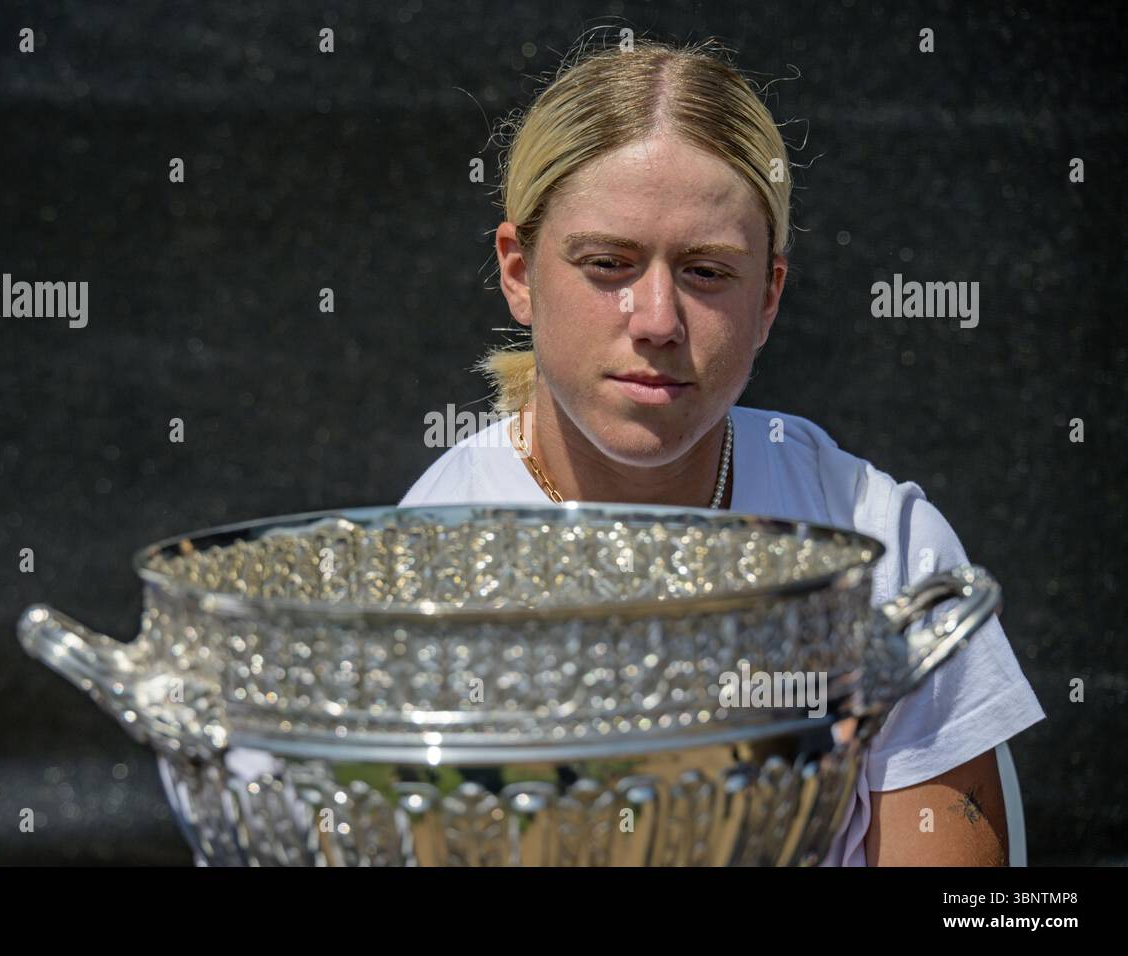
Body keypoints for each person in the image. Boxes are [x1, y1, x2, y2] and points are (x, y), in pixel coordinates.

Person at [398, 36, 1045, 866]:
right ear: (518, 273)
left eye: (706, 271)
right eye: (607, 264)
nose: (658, 318)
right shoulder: (421, 563)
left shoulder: (882, 547)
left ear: (767, 297)